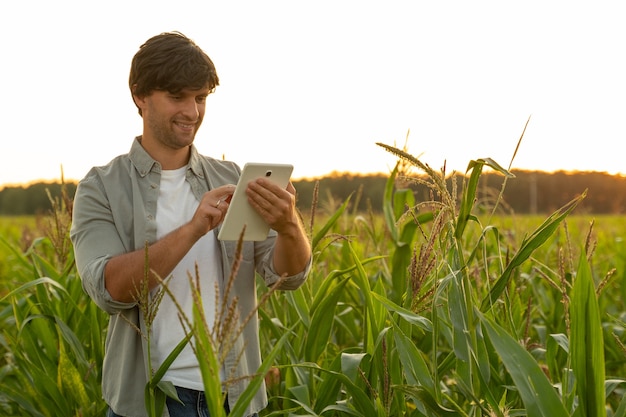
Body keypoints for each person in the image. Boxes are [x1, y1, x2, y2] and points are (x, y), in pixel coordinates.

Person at [70, 31, 312, 417]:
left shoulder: (232, 176)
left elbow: (287, 276)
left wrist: (288, 227)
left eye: (200, 98)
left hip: (235, 397)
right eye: (177, 97)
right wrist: (193, 228)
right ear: (139, 96)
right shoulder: (100, 187)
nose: (193, 112)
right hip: (151, 401)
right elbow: (109, 288)